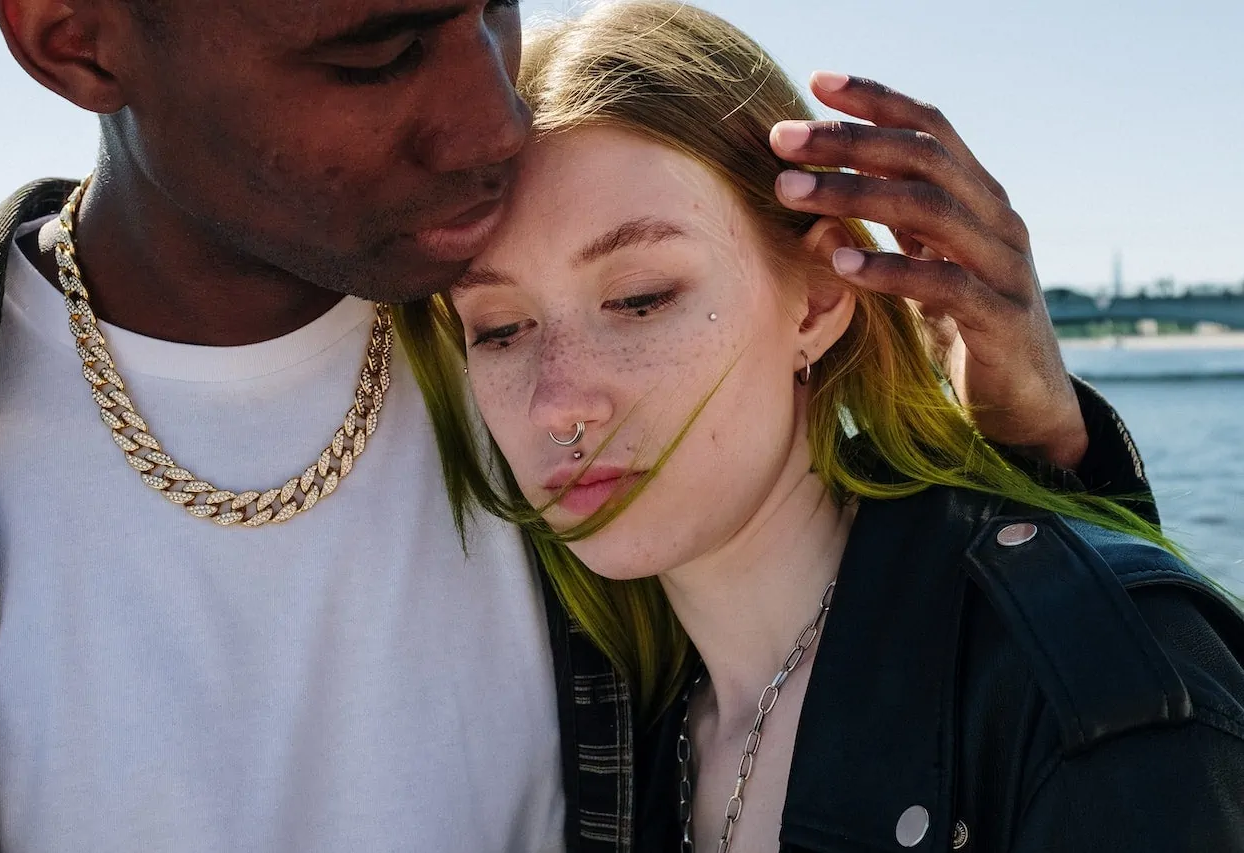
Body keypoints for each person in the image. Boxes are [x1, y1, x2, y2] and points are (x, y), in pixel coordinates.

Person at [0, 0, 1166, 850]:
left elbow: (987, 702)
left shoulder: (525, 359)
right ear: (73, 34)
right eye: (378, 51)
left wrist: (1041, 468)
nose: (494, 124)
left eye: (492, 7)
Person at [405, 2, 1244, 850]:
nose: (558, 403)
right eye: (499, 329)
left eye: (639, 299)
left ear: (816, 297)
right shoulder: (603, 733)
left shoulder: (1099, 689)